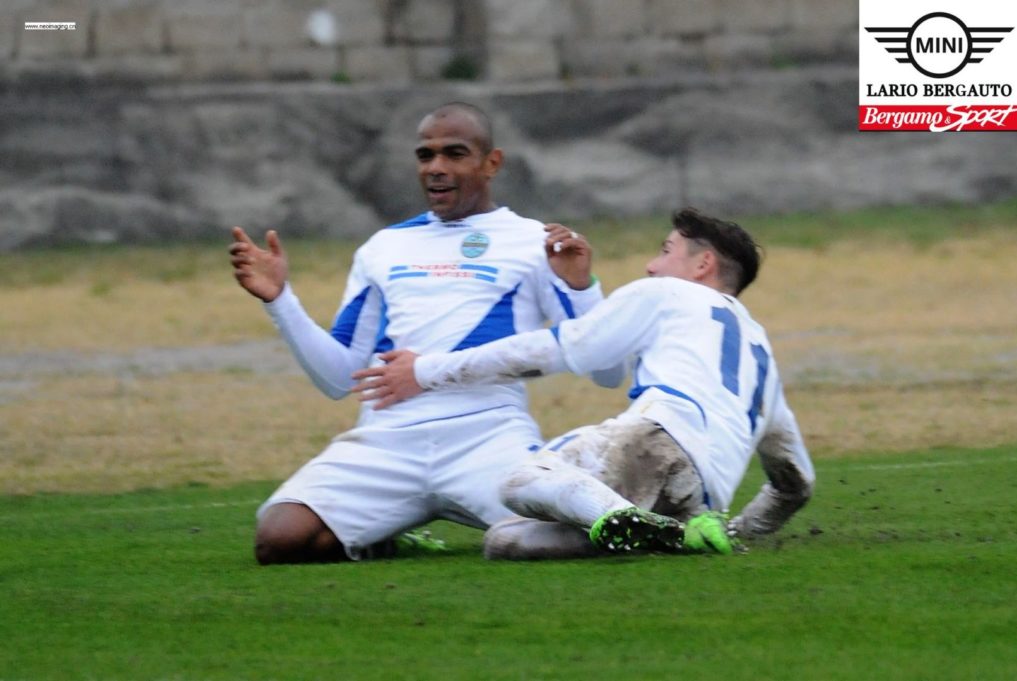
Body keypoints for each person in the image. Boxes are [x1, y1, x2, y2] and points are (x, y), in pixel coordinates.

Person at [229, 102, 622, 564]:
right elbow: (339, 378)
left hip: (488, 438)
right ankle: (386, 531)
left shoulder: (539, 241)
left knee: (581, 528)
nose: (436, 168)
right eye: (425, 156)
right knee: (280, 540)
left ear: (491, 163)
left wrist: (581, 286)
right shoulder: (383, 247)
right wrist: (280, 300)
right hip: (388, 441)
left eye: (455, 154)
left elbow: (608, 371)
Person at [352, 208, 815, 560]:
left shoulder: (664, 293)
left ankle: (621, 518)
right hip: (701, 497)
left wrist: (427, 370)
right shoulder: (764, 359)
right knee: (505, 540)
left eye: (665, 250)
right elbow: (795, 485)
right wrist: (740, 533)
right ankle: (674, 535)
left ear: (703, 264)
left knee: (519, 480)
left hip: (656, 439)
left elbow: (552, 349)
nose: (652, 266)